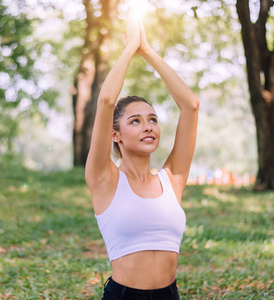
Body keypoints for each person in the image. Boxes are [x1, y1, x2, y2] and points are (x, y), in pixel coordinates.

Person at [85, 8, 199, 300]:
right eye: (135, 121)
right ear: (115, 135)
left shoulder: (171, 179)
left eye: (152, 119)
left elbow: (190, 105)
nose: (148, 126)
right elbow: (107, 100)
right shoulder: (103, 178)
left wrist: (147, 50)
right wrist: (129, 50)